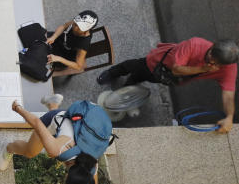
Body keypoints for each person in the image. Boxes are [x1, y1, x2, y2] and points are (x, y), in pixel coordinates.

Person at [97, 38, 238, 133]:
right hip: (156, 62)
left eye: (216, 63)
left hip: (164, 77)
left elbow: (228, 94)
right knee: (133, 67)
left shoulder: (228, 69)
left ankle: (126, 90)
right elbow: (176, 69)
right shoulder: (195, 44)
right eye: (210, 56)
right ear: (213, 46)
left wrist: (229, 116)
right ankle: (112, 72)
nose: (211, 62)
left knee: (137, 80)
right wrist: (203, 69)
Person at [0, 99, 106, 184]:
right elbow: (36, 123)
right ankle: (8, 148)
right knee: (30, 152)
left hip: (75, 122)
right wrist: (17, 108)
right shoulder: (56, 150)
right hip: (53, 119)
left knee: (58, 131)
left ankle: (53, 102)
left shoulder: (90, 163)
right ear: (67, 176)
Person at [46, 11, 99, 76]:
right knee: (38, 36)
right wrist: (53, 37)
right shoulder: (76, 22)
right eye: (75, 24)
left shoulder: (84, 44)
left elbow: (78, 66)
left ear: (86, 31)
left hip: (63, 55)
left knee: (42, 59)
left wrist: (59, 59)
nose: (74, 27)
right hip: (58, 40)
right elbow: (64, 26)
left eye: (79, 27)